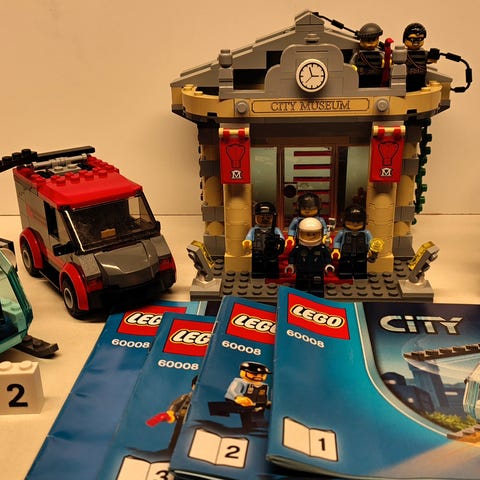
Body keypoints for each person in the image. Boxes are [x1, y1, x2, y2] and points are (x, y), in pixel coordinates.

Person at [286, 217, 334, 296]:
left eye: (314, 234)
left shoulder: (321, 248)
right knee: (301, 283)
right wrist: (291, 264)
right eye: (307, 234)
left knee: (317, 284)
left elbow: (327, 257)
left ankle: (317, 292)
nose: (311, 237)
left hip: (317, 270)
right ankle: (301, 292)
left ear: (321, 233)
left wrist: (328, 264)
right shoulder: (298, 248)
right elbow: (292, 256)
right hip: (301, 270)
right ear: (299, 233)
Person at [243, 202, 284, 278]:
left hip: (272, 252)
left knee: (272, 263)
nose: (264, 220)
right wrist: (247, 241)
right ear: (255, 218)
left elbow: (281, 239)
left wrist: (279, 244)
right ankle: (258, 274)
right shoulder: (253, 230)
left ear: (273, 218)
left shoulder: (275, 230)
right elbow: (248, 237)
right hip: (258, 251)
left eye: (268, 218)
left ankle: (272, 274)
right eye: (261, 218)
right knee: (257, 264)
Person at [351, 23, 384, 87]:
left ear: (378, 40)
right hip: (362, 77)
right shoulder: (358, 54)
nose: (371, 42)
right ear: (361, 41)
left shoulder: (380, 54)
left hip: (377, 77)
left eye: (373, 39)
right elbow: (352, 64)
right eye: (367, 40)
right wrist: (353, 68)